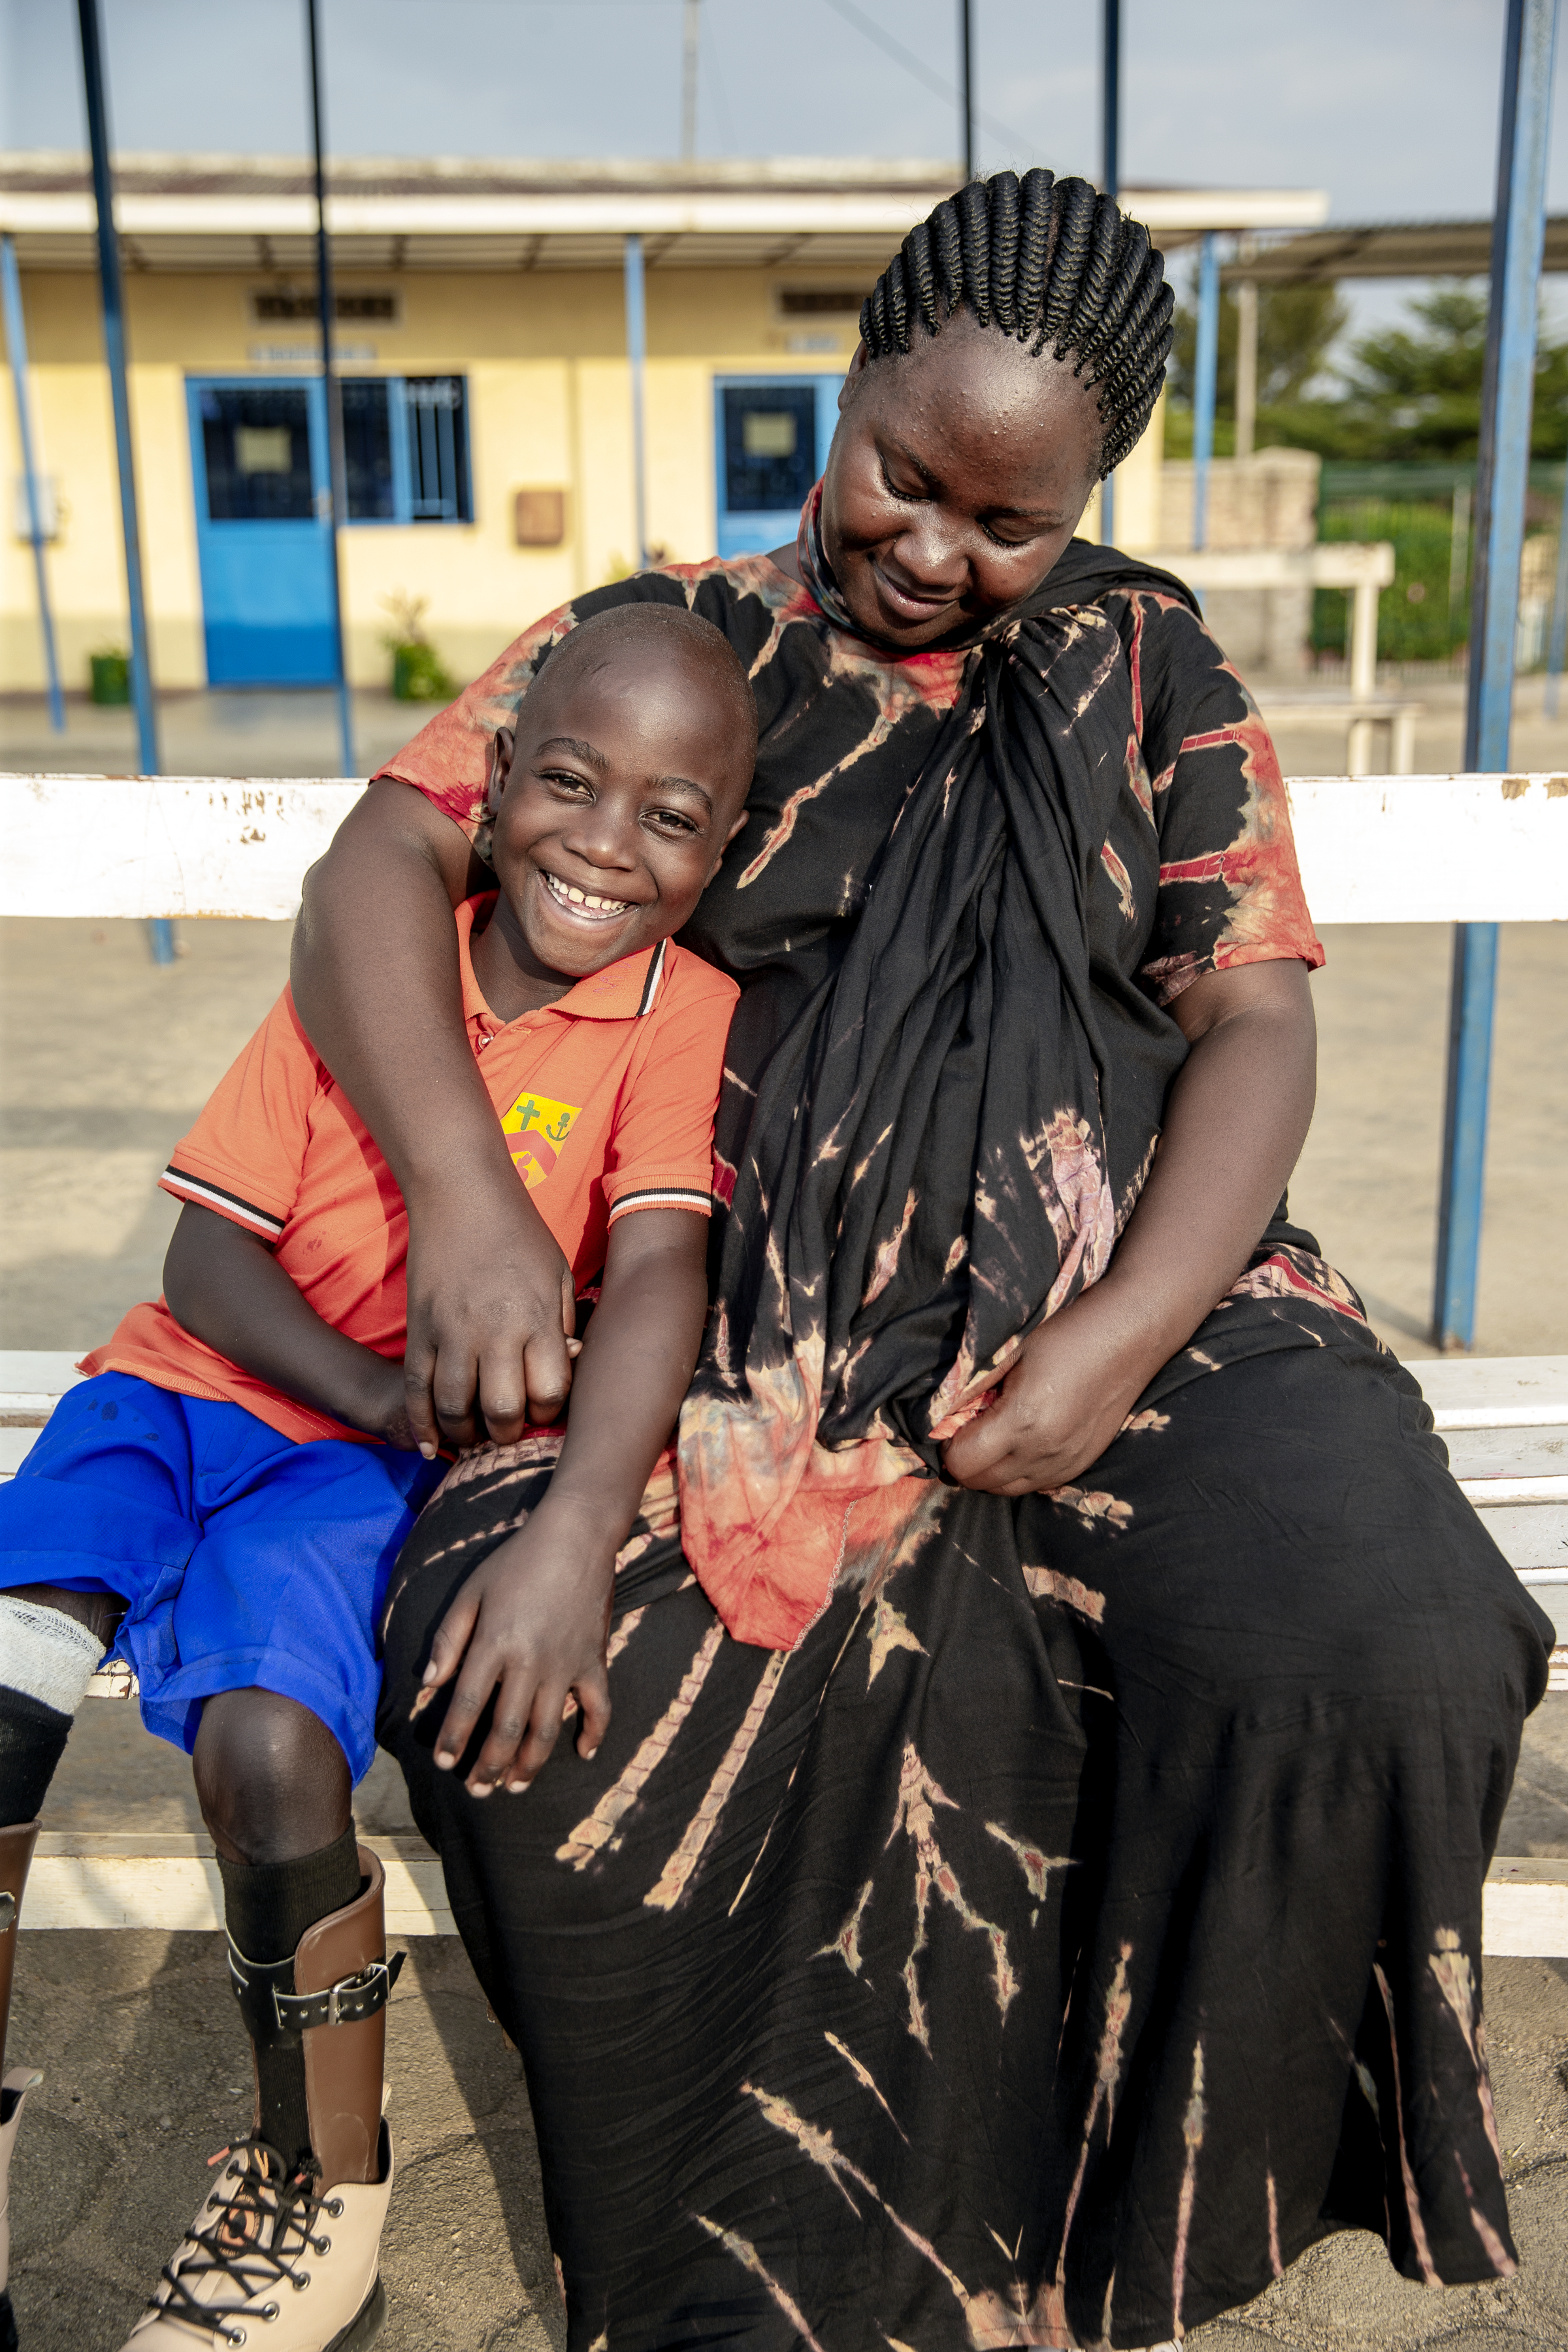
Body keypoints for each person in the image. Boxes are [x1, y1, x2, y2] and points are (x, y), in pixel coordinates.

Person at [249, 171, 1543, 2350]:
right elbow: (381, 858)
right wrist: (468, 1199)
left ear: (1091, 505)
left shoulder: (1148, 666)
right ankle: (780, 2281)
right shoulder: (674, 644)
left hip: (1140, 1295)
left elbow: (1252, 1018)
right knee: (529, 1687)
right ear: (847, 384)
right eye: (903, 479)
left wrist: (1119, 1336)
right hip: (717, 1318)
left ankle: (1117, 2240)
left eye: (1010, 523)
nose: (938, 552)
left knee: (1378, 1633)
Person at [0, 604, 755, 2352]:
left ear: (723, 851)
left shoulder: (678, 1016)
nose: (606, 845)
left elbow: (661, 1266)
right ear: (493, 784)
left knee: (272, 1750)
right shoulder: (386, 974)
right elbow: (205, 1263)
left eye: (670, 818)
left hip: (345, 1483)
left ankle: (314, 2180)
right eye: (569, 783)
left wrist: (487, 1480)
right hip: (175, 1399)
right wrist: (371, 1389)